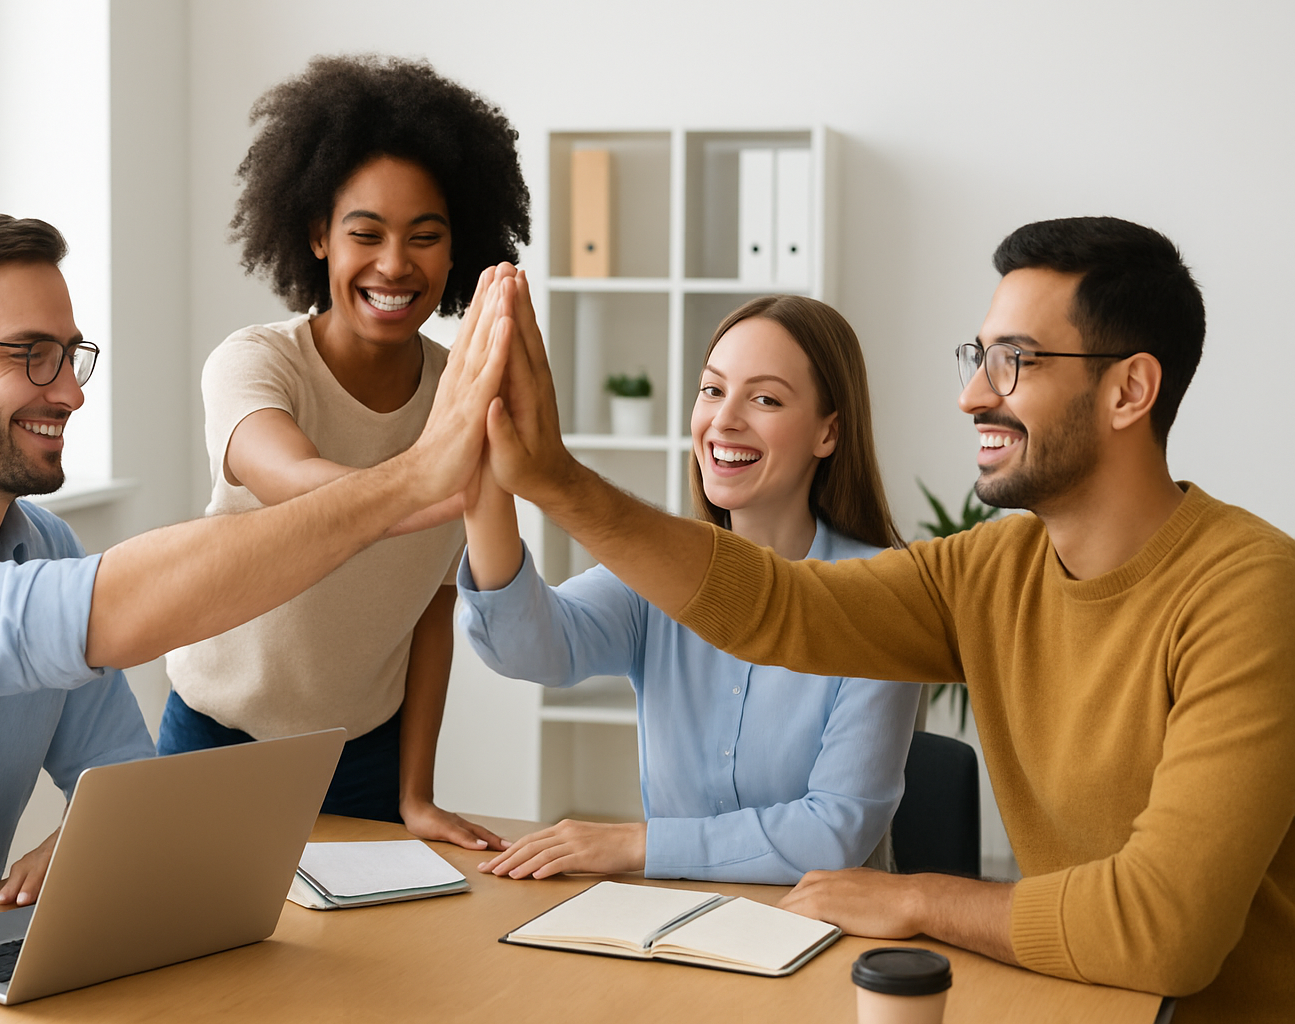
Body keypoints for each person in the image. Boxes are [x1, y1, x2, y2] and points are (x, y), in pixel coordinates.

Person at [477, 220, 1295, 1023]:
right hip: (1067, 998)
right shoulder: (987, 571)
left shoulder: (1251, 593)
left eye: (1012, 362)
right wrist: (552, 482)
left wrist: (919, 897)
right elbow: (781, 606)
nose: (972, 394)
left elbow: (1163, 931)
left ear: (1130, 390)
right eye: (978, 359)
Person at [0, 210, 515, 951]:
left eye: (69, 354)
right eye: (29, 355)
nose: (69, 393)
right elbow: (86, 616)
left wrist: (91, 845)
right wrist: (409, 481)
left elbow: (121, 773)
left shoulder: (44, 546)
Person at [161, 55, 530, 851]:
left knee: (358, 976)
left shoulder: (461, 394)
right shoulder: (257, 362)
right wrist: (427, 484)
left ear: (456, 249)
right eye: (366, 233)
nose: (396, 265)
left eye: (425, 238)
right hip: (215, 739)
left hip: (362, 753)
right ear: (318, 234)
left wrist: (416, 790)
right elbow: (289, 477)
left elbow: (433, 606)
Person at [459, 295, 920, 883]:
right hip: (675, 923)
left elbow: (831, 835)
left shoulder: (881, 599)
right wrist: (485, 467)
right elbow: (530, 647)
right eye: (712, 390)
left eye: (765, 398)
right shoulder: (660, 574)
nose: (724, 420)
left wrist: (636, 844)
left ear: (828, 433)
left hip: (820, 934)